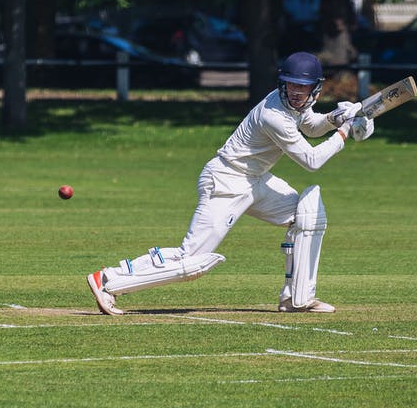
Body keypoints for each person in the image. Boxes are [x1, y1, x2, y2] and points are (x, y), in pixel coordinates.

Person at [85, 52, 374, 315]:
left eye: (303, 88)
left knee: (306, 215)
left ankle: (296, 298)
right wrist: (345, 132)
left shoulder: (295, 107)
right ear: (282, 83)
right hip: (226, 181)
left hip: (255, 181)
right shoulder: (274, 115)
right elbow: (312, 161)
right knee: (192, 261)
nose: (296, 93)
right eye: (291, 85)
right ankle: (109, 280)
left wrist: (334, 118)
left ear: (315, 89)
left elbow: (311, 126)